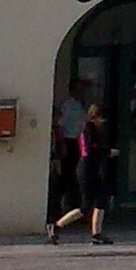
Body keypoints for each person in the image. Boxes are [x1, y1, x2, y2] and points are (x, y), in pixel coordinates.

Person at [48, 103, 115, 245]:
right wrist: (107, 152)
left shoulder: (91, 128)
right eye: (101, 118)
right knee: (86, 206)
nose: (102, 122)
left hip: (91, 168)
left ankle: (97, 233)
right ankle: (57, 225)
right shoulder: (89, 128)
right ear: (95, 116)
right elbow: (91, 149)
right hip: (87, 169)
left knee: (101, 199)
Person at [47, 82, 84, 224]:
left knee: (74, 176)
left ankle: (74, 209)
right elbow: (59, 126)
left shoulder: (80, 105)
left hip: (78, 142)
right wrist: (62, 145)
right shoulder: (67, 106)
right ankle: (60, 209)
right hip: (69, 141)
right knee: (67, 176)